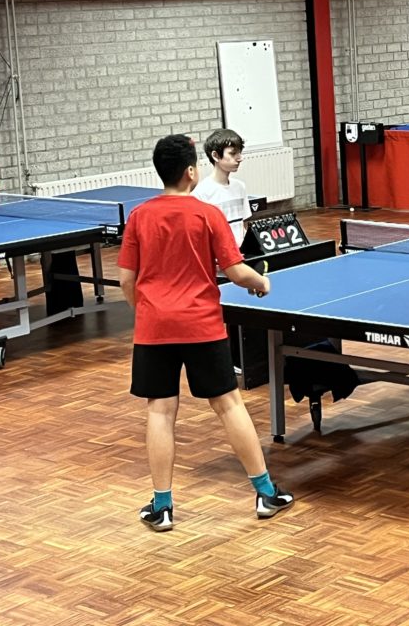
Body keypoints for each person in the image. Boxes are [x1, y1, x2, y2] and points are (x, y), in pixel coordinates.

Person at [118, 134, 293, 530]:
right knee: (229, 405)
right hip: (201, 325)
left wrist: (146, 311)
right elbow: (236, 272)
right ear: (190, 172)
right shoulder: (207, 215)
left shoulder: (139, 217)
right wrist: (261, 283)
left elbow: (127, 280)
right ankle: (266, 494)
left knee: (160, 410)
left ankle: (162, 507)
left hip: (154, 327)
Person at [192, 128, 253, 247]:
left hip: (241, 254)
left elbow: (244, 224)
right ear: (215, 156)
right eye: (233, 153)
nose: (240, 158)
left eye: (239, 152)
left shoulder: (240, 187)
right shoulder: (201, 193)